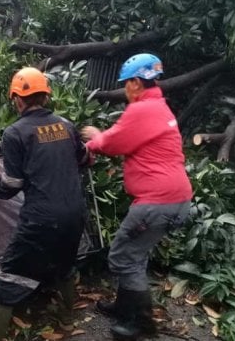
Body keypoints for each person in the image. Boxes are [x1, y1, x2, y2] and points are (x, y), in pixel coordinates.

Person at [0, 67, 92, 341]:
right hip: (75, 214)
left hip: (41, 220)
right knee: (64, 263)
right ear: (46, 97)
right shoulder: (67, 125)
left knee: (7, 277)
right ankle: (68, 319)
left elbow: (11, 185)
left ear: (17, 100)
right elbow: (84, 159)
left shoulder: (15, 133)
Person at [81, 53, 192, 340]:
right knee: (135, 253)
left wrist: (93, 138)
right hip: (176, 197)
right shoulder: (159, 107)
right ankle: (124, 307)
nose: (124, 90)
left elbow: (112, 141)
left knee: (122, 256)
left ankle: (141, 324)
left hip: (158, 201)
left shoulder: (142, 111)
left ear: (134, 82)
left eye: (125, 84)